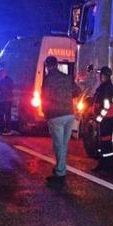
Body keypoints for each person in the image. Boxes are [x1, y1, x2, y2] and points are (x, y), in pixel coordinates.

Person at [41, 56, 80, 185]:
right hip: (69, 114)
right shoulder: (66, 77)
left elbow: (44, 97)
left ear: (47, 66)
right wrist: (67, 96)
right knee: (64, 144)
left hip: (56, 115)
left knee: (59, 145)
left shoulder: (48, 80)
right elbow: (77, 91)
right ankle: (60, 169)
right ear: (57, 64)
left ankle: (60, 172)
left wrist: (45, 113)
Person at [91, 66, 113, 171]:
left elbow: (106, 107)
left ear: (104, 76)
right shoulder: (108, 87)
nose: (99, 77)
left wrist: (98, 119)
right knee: (104, 142)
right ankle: (104, 164)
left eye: (100, 75)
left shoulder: (106, 89)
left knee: (105, 142)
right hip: (108, 119)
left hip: (106, 120)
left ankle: (106, 166)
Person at [0, 68, 14, 135]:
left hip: (6, 100)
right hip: (2, 100)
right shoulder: (2, 81)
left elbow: (3, 90)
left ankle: (8, 130)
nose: (0, 75)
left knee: (7, 115)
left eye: (1, 74)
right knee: (0, 115)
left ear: (5, 74)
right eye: (0, 74)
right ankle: (1, 129)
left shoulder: (8, 81)